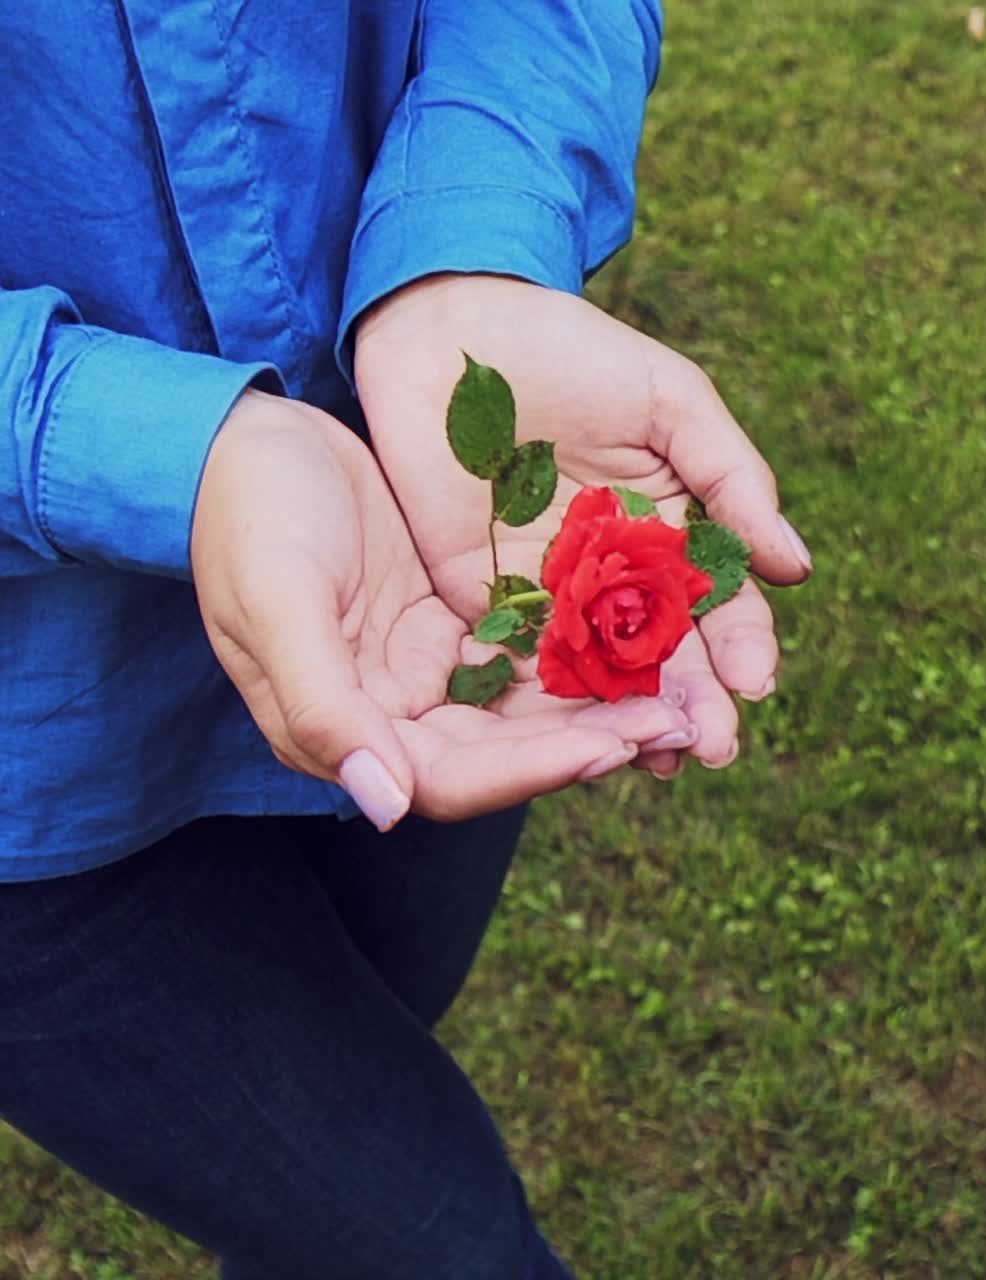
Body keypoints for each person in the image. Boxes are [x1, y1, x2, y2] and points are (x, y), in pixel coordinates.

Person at [0, 3, 811, 1276]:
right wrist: (162, 451)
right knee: (442, 1247)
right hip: (39, 782)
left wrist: (470, 248)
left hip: (436, 583)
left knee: (329, 1166)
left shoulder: (475, 596)